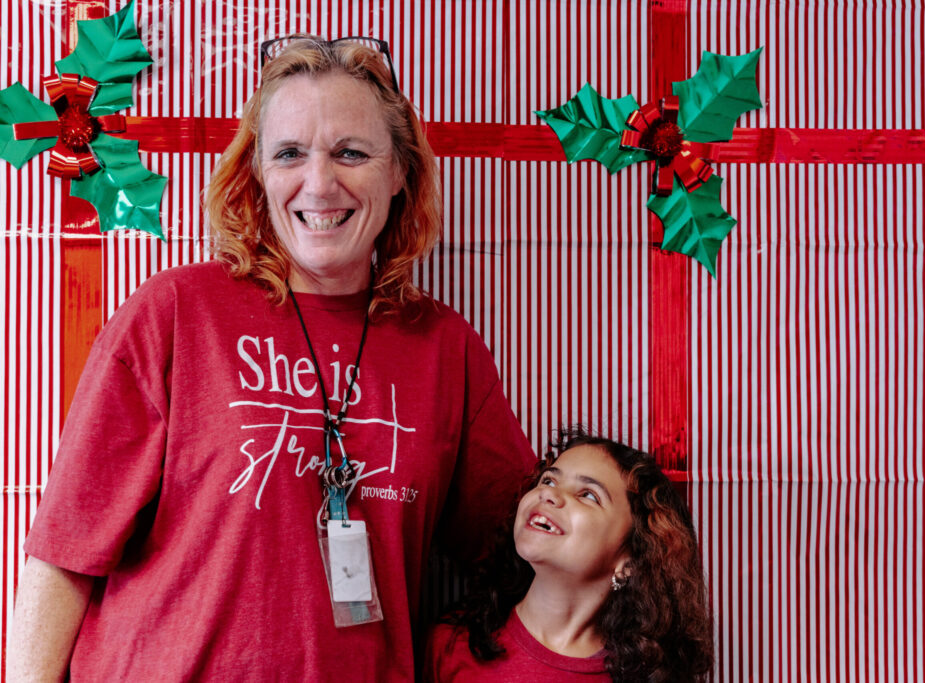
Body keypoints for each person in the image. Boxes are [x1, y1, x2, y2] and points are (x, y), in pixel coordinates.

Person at [8, 36, 535, 681]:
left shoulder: (447, 349)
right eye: (289, 153)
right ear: (257, 172)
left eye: (351, 152)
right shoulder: (175, 312)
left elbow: (525, 559)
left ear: (400, 171)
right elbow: (64, 553)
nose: (319, 183)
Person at [424, 430, 714, 682]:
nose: (549, 495)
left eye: (588, 495)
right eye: (548, 481)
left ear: (631, 563)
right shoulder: (449, 646)